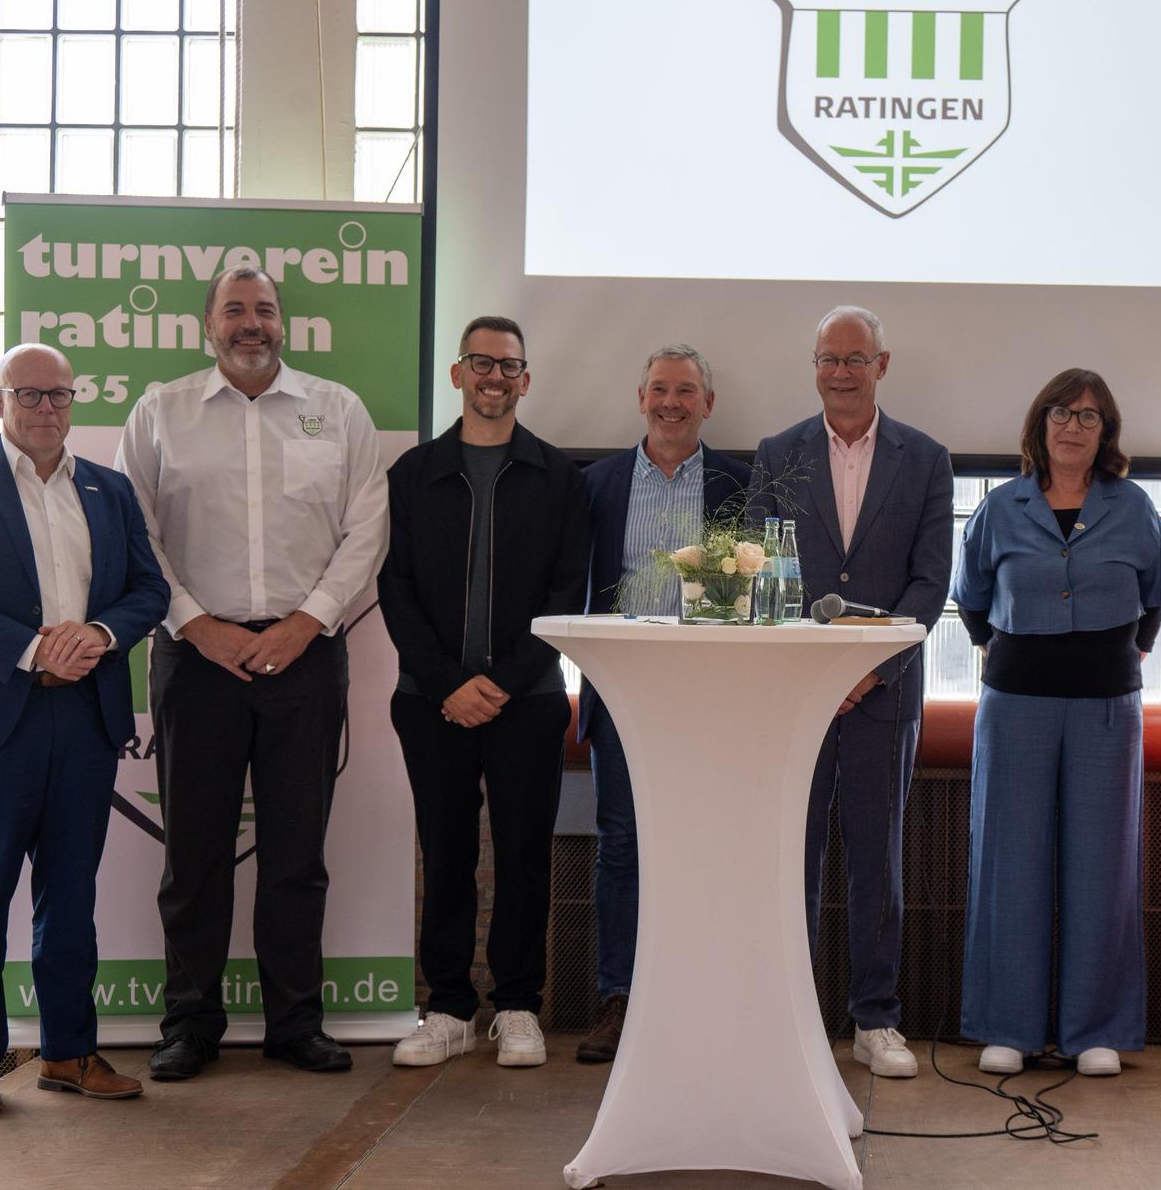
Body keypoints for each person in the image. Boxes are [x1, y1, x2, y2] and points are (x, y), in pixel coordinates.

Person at [116, 266, 389, 1080]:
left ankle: (294, 1023)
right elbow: (137, 534)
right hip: (197, 660)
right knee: (194, 850)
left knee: (296, 852)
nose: (250, 323)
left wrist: (309, 621)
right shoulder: (160, 412)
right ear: (208, 324)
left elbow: (366, 527)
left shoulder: (335, 410)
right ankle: (190, 1024)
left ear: (283, 324)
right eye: (234, 309)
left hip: (306, 656)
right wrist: (196, 624)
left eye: (264, 309)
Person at [0, 344, 168, 1116]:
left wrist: (96, 635)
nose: (44, 409)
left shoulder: (110, 488)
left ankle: (68, 1052)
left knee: (70, 897)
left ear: (73, 402)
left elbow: (149, 591)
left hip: (86, 717)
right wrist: (36, 652)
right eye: (27, 395)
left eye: (58, 396)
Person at [379, 316, 590, 1069]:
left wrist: (497, 684)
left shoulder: (559, 477)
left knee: (525, 853)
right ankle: (447, 1008)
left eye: (508, 367)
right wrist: (448, 684)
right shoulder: (411, 473)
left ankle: (518, 1006)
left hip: (526, 702)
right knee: (445, 852)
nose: (494, 377)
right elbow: (393, 588)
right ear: (457, 374)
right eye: (480, 363)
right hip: (428, 700)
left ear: (525, 380)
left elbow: (570, 595)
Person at [750, 305, 953, 1079]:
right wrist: (813, 671)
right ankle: (790, 1013)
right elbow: (761, 571)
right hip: (796, 695)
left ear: (882, 364)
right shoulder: (778, 453)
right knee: (791, 858)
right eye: (828, 359)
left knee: (877, 861)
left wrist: (869, 672)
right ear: (815, 366)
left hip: (883, 692)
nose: (840, 371)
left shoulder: (925, 458)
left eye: (855, 358)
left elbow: (929, 583)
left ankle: (875, 1020)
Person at [951, 369, 1161, 1078]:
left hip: (1107, 703)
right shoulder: (997, 507)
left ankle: (1094, 1029)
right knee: (1007, 861)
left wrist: (1109, 654)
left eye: (1088, 416)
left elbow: (1154, 604)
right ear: (1038, 424)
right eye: (1059, 413)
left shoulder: (1134, 509)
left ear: (1105, 432)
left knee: (1102, 865)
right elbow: (973, 601)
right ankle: (1005, 1026)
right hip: (1015, 700)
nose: (1072, 426)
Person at [575, 344, 751, 1064]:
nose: (671, 402)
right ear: (638, 397)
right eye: (658, 390)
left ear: (708, 403)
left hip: (714, 701)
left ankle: (708, 1001)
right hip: (622, 698)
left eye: (685, 391)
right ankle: (622, 1000)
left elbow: (756, 596)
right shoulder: (597, 483)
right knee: (622, 848)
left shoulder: (743, 484)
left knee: (712, 846)